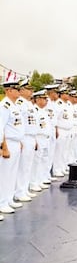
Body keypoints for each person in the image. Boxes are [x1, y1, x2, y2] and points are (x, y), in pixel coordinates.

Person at [0, 78, 25, 214]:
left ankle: (8, 199)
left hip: (15, 143)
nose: (19, 91)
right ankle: (2, 202)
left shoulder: (14, 105)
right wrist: (3, 148)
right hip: (7, 143)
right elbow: (0, 128)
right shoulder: (4, 106)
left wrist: (20, 141)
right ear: (8, 90)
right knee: (4, 175)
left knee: (12, 173)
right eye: (16, 89)